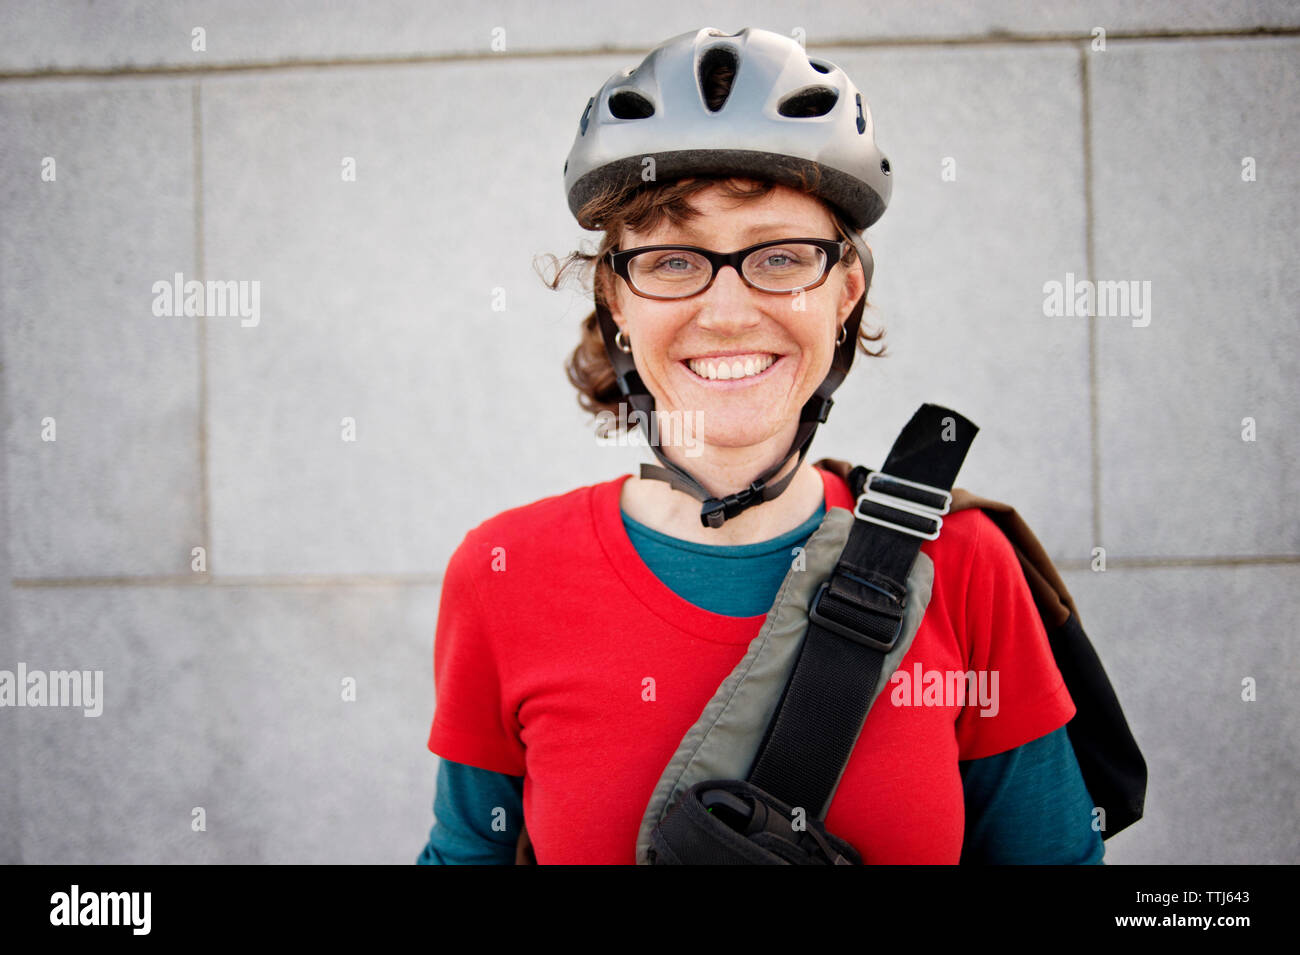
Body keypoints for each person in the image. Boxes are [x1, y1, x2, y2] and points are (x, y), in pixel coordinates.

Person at [419, 26, 1103, 865]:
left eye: (781, 256)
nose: (731, 310)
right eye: (673, 260)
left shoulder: (964, 563)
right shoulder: (503, 570)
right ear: (617, 303)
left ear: (845, 293)